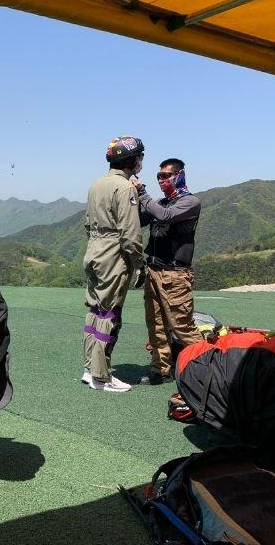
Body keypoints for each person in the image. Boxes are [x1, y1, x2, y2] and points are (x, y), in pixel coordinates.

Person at [82, 136, 146, 393]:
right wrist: (139, 263)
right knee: (110, 314)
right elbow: (130, 234)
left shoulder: (96, 184)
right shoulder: (126, 188)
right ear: (132, 160)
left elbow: (87, 223)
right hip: (113, 255)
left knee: (94, 310)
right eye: (140, 157)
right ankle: (101, 376)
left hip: (93, 251)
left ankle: (90, 368)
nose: (141, 161)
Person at [132, 158, 202, 385]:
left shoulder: (190, 202)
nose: (161, 180)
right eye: (159, 176)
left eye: (166, 176)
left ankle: (207, 369)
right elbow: (140, 219)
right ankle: (160, 370)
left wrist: (142, 193)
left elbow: (165, 216)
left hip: (175, 275)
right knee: (156, 325)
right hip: (154, 271)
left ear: (179, 175)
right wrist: (132, 200)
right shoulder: (161, 203)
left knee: (183, 326)